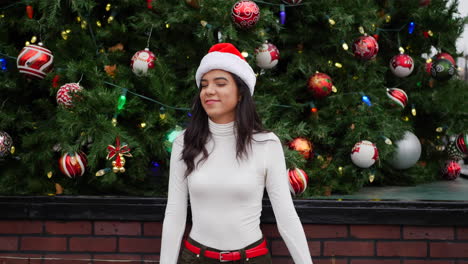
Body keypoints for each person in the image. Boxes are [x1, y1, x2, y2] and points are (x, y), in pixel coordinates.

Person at [160, 43, 313, 264]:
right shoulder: (184, 142)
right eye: (204, 85)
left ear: (241, 93)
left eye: (220, 83)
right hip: (196, 258)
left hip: (252, 258)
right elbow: (175, 213)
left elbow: (286, 217)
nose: (209, 91)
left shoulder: (266, 143)